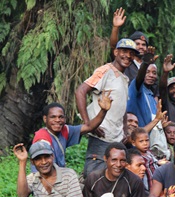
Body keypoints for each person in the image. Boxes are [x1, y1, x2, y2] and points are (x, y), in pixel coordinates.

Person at [75, 38, 139, 177]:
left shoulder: (124, 78)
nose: (127, 56)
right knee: (94, 177)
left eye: (131, 53)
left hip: (115, 140)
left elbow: (122, 108)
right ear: (116, 52)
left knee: (111, 180)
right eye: (124, 51)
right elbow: (80, 91)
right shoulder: (106, 71)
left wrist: (125, 132)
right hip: (101, 138)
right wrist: (89, 124)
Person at [32, 96, 112, 169]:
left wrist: (103, 111)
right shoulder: (42, 139)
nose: (57, 120)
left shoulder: (64, 130)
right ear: (45, 119)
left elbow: (88, 127)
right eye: (53, 117)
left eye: (61, 117)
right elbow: (44, 168)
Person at [109, 7, 148, 81]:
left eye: (143, 45)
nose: (141, 47)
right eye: (137, 44)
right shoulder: (125, 60)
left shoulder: (149, 66)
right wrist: (115, 27)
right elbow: (114, 46)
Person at [126, 47, 159, 128]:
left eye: (154, 73)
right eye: (147, 72)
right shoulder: (136, 88)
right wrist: (145, 63)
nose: (151, 75)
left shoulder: (151, 95)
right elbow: (139, 79)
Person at [130, 127, 160, 193]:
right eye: (141, 141)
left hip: (156, 182)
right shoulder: (137, 157)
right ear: (133, 143)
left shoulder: (149, 153)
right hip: (146, 185)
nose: (145, 143)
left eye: (147, 140)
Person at [159, 54, 175, 122]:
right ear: (167, 91)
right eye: (172, 88)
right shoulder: (166, 105)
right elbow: (162, 89)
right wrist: (165, 73)